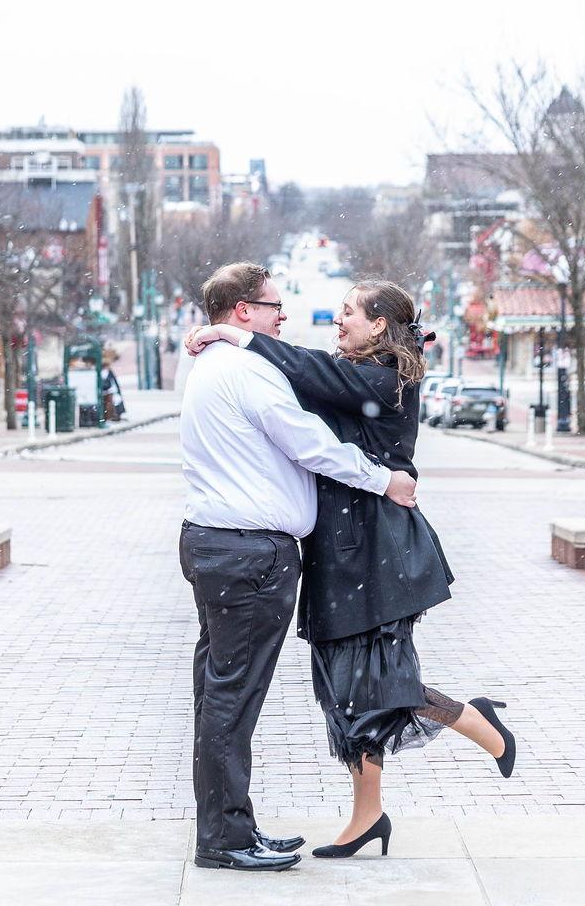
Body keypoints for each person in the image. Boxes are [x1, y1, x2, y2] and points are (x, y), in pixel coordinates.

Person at [188, 279, 517, 859]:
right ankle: (369, 814)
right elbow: (300, 390)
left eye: (347, 313)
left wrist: (232, 332)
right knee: (344, 687)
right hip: (338, 549)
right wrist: (229, 342)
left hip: (376, 546)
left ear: (381, 326)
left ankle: (474, 722)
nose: (337, 322)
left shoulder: (388, 376)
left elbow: (307, 373)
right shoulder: (352, 373)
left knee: (375, 680)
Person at [179, 263, 419, 873]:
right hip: (250, 554)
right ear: (242, 310)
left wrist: (239, 341)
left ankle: (232, 828)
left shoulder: (215, 363)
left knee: (220, 695)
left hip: (219, 546)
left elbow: (323, 379)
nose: (282, 316)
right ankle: (227, 839)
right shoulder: (245, 369)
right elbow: (309, 443)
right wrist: (382, 479)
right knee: (233, 699)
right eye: (272, 306)